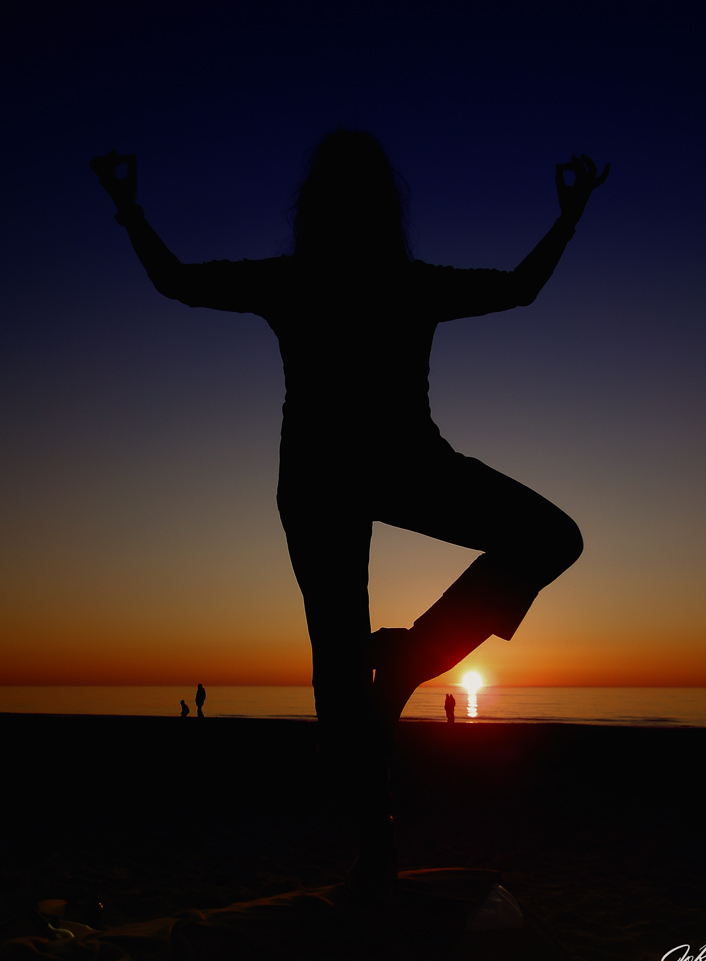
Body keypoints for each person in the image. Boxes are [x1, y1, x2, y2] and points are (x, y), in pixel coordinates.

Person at [91, 132, 608, 889]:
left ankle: (402, 680)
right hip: (358, 475)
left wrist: (129, 211)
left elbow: (174, 280)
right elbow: (522, 286)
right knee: (354, 656)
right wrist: (568, 216)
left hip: (359, 472)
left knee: (353, 658)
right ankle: (376, 840)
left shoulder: (315, 281)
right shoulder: (376, 282)